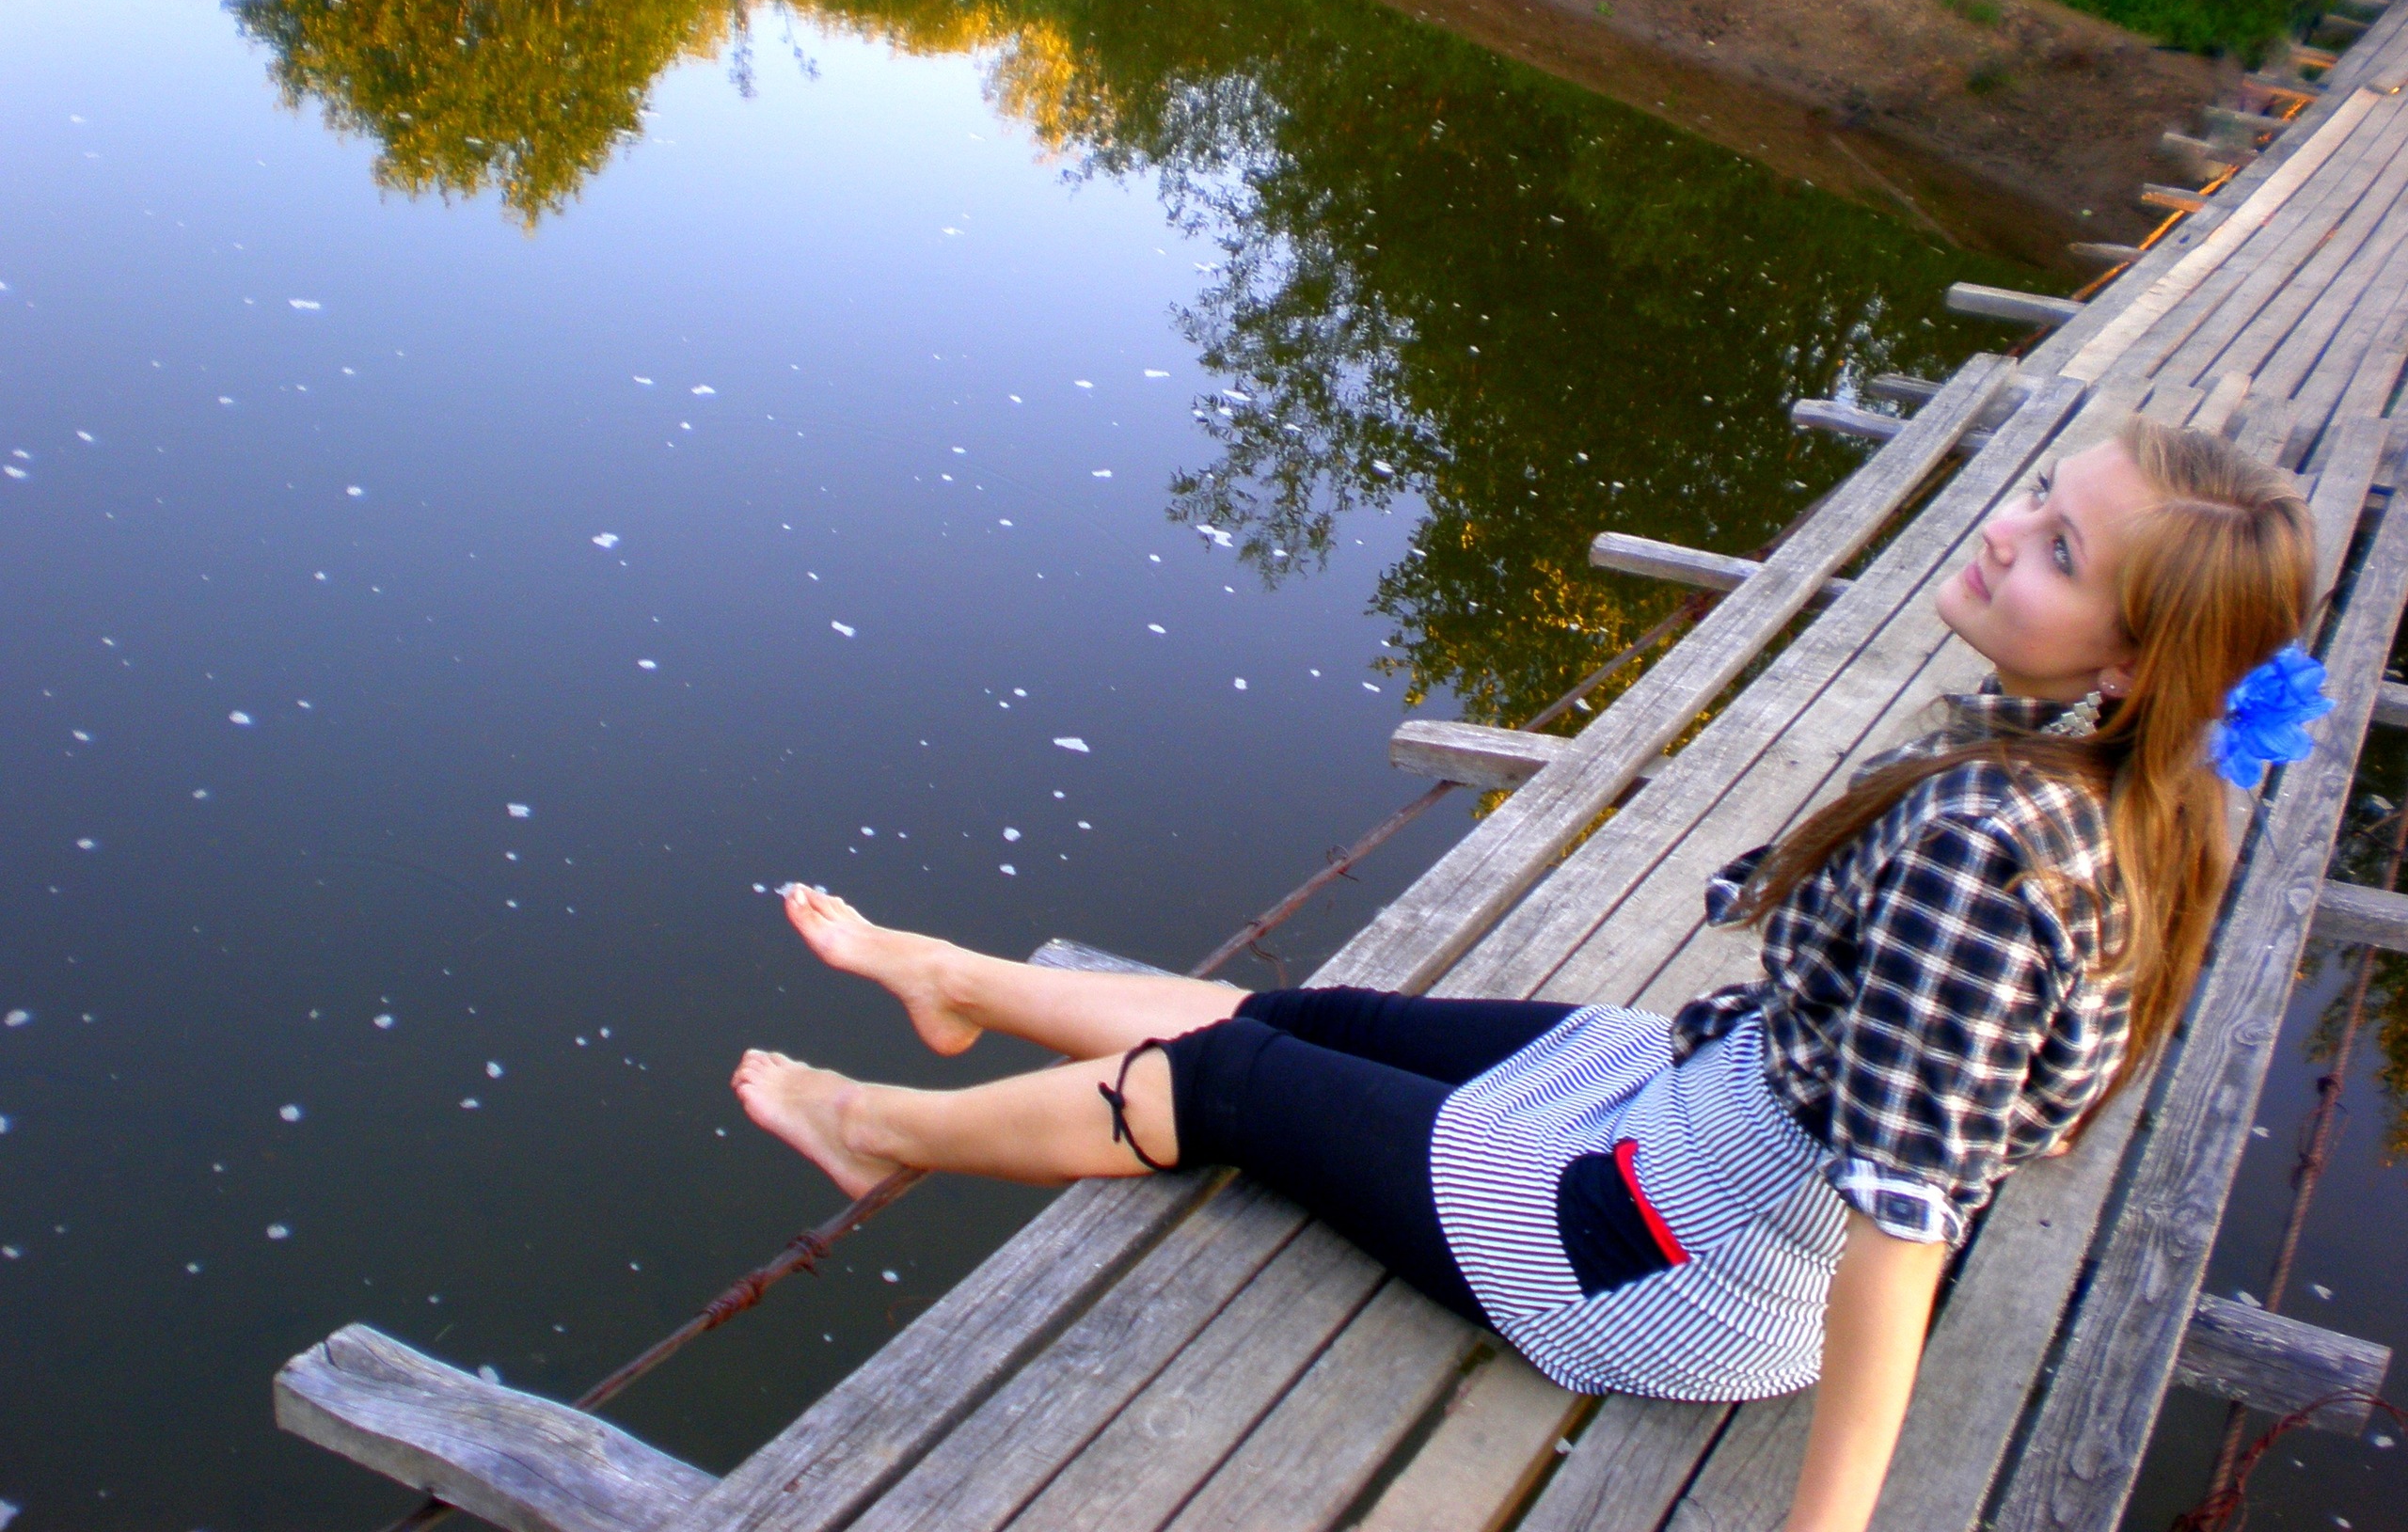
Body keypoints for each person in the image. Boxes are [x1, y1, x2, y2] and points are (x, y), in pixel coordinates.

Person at [732, 416, 2323, 1532]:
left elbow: (1904, 1229)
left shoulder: (1991, 861)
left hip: (1653, 1262)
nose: (2005, 528)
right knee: (1317, 1021)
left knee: (1228, 1081)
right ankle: (957, 983)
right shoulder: (2121, 785)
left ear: (2133, 664)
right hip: (1684, 1113)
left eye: (2058, 548)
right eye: (2037, 495)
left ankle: (872, 1130)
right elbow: (2007, 1097)